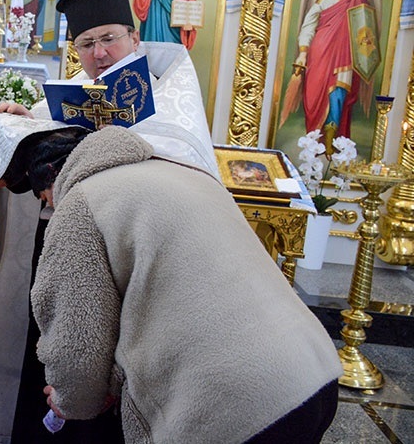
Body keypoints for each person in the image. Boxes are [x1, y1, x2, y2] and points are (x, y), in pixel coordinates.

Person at [0, 0, 219, 444]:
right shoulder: (81, 90)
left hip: (130, 255)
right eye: (87, 44)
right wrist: (23, 118)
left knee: (110, 369)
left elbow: (177, 154)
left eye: (109, 38)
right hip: (62, 247)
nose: (101, 53)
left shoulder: (170, 95)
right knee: (52, 352)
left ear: (133, 38)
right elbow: (55, 130)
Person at [27, 124, 340, 443]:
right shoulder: (187, 171)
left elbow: (77, 339)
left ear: (51, 178)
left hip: (234, 405)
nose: (51, 208)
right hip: (314, 372)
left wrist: (69, 399)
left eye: (46, 201)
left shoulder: (80, 202)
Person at [293, 0, 375, 142]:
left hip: (345, 55)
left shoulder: (359, 1)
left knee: (338, 94)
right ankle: (313, 140)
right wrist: (303, 52)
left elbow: (366, 32)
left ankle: (330, 140)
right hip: (320, 51)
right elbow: (309, 24)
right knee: (314, 94)